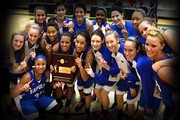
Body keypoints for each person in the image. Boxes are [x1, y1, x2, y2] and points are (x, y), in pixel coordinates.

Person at [10, 55, 64, 120]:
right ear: (34, 65)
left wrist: (54, 86)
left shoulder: (46, 73)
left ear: (46, 64)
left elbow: (47, 92)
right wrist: (22, 88)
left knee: (55, 106)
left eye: (43, 64)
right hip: (26, 100)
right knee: (34, 117)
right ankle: (22, 115)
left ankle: (39, 111)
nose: (41, 67)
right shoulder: (27, 76)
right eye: (38, 64)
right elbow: (12, 95)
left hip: (39, 97)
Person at [123, 36, 161, 120]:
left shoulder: (142, 63)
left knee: (148, 116)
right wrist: (127, 75)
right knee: (140, 111)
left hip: (155, 93)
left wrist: (149, 105)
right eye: (125, 50)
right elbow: (137, 75)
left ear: (138, 49)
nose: (127, 53)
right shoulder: (136, 59)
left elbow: (149, 86)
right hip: (147, 91)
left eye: (130, 50)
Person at [105, 30, 140, 119]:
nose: (109, 45)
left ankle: (130, 116)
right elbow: (118, 69)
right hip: (126, 77)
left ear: (118, 40)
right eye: (107, 42)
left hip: (135, 80)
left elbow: (135, 72)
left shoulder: (126, 52)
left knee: (130, 101)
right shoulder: (113, 52)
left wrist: (132, 86)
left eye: (111, 41)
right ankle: (120, 113)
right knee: (119, 94)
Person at [145, 29, 178, 119]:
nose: (148, 48)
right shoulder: (157, 58)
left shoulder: (163, 70)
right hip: (168, 107)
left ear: (162, 46)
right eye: (147, 44)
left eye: (153, 46)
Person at [86, 29, 112, 119]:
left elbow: (105, 77)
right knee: (97, 91)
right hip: (102, 72)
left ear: (102, 41)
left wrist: (93, 75)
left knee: (104, 93)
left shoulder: (106, 54)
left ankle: (105, 113)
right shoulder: (93, 49)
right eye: (93, 41)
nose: (95, 44)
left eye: (98, 41)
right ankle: (103, 109)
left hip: (111, 75)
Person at [51, 31, 76, 117]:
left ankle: (67, 104)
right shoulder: (55, 48)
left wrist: (74, 67)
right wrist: (51, 67)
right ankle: (59, 102)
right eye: (62, 42)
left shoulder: (74, 51)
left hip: (69, 72)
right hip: (58, 71)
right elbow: (51, 62)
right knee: (57, 85)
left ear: (71, 43)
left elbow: (76, 65)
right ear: (59, 41)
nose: (64, 44)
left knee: (69, 86)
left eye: (67, 42)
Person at [73, 30, 95, 119]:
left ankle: (87, 110)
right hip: (81, 73)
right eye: (77, 42)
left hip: (89, 75)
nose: (78, 45)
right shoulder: (75, 50)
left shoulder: (89, 53)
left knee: (87, 92)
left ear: (86, 44)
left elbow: (86, 78)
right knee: (79, 87)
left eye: (82, 43)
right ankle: (82, 100)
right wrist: (75, 66)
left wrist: (79, 66)